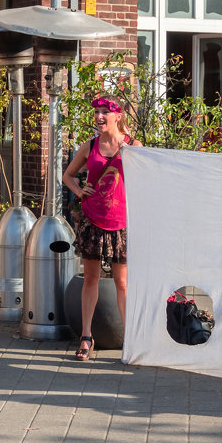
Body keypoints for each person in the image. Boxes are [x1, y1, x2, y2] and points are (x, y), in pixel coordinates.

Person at [61, 96, 142, 361]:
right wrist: (79, 190)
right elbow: (68, 176)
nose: (99, 117)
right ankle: (86, 336)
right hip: (93, 220)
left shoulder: (133, 147)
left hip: (121, 222)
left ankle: (130, 338)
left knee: (122, 282)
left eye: (105, 112)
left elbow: (145, 183)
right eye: (96, 112)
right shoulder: (90, 146)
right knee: (91, 279)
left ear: (118, 116)